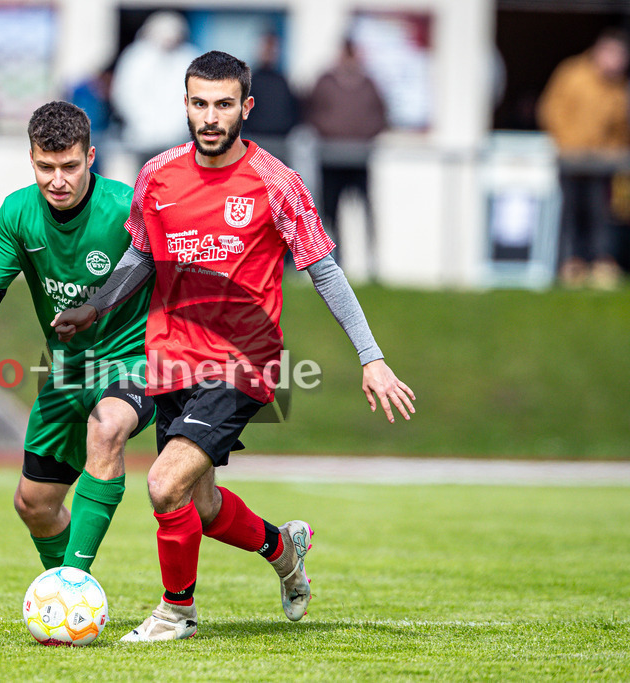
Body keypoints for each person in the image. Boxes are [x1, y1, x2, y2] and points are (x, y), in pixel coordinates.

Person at [53, 51, 414, 642]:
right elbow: (141, 255)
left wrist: (371, 357)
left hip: (243, 362)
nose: (211, 116)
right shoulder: (158, 175)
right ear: (186, 105)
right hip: (171, 357)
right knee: (202, 504)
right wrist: (97, 304)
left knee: (164, 483)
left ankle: (177, 613)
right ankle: (284, 549)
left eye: (224, 104)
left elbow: (325, 270)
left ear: (245, 107)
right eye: (200, 103)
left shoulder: (275, 180)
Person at [0, 101, 155, 574]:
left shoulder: (126, 207)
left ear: (91, 157)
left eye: (70, 166)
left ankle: (75, 583)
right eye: (46, 166)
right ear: (32, 159)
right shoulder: (18, 212)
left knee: (107, 426)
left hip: (132, 360)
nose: (58, 179)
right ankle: (63, 589)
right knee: (33, 505)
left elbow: (166, 265)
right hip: (68, 373)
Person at [538, 28, 630, 289]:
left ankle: (600, 264)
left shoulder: (618, 85)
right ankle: (571, 264)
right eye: (614, 55)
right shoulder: (573, 74)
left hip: (602, 163)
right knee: (571, 212)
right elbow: (552, 110)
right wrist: (568, 145)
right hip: (571, 159)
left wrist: (614, 153)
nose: (618, 62)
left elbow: (621, 126)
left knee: (602, 214)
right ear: (601, 51)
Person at [307, 39, 388, 279]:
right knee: (330, 214)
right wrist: (328, 131)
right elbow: (311, 112)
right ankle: (334, 263)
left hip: (359, 159)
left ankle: (372, 264)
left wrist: (363, 137)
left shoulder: (369, 84)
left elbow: (382, 116)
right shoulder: (325, 82)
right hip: (330, 159)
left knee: (366, 211)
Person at [111, 11, 199, 166]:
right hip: (140, 137)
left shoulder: (188, 58)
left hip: (177, 138)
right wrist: (144, 122)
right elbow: (126, 94)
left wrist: (176, 126)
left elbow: (196, 95)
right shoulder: (136, 58)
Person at [243, 32, 301, 163]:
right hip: (256, 141)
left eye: (273, 48)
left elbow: (294, 110)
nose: (269, 52)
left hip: (280, 144)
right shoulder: (250, 80)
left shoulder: (282, 81)